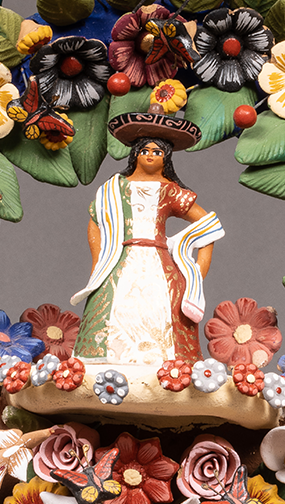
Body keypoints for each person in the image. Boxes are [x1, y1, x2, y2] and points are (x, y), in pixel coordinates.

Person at [71, 109, 224, 364]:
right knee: (108, 304)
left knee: (164, 307)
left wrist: (198, 270)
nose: (150, 155)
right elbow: (95, 221)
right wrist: (98, 262)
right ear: (135, 154)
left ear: (166, 159)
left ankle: (170, 367)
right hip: (118, 262)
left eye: (157, 152)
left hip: (160, 265)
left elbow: (208, 225)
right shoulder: (114, 188)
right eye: (144, 150)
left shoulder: (169, 190)